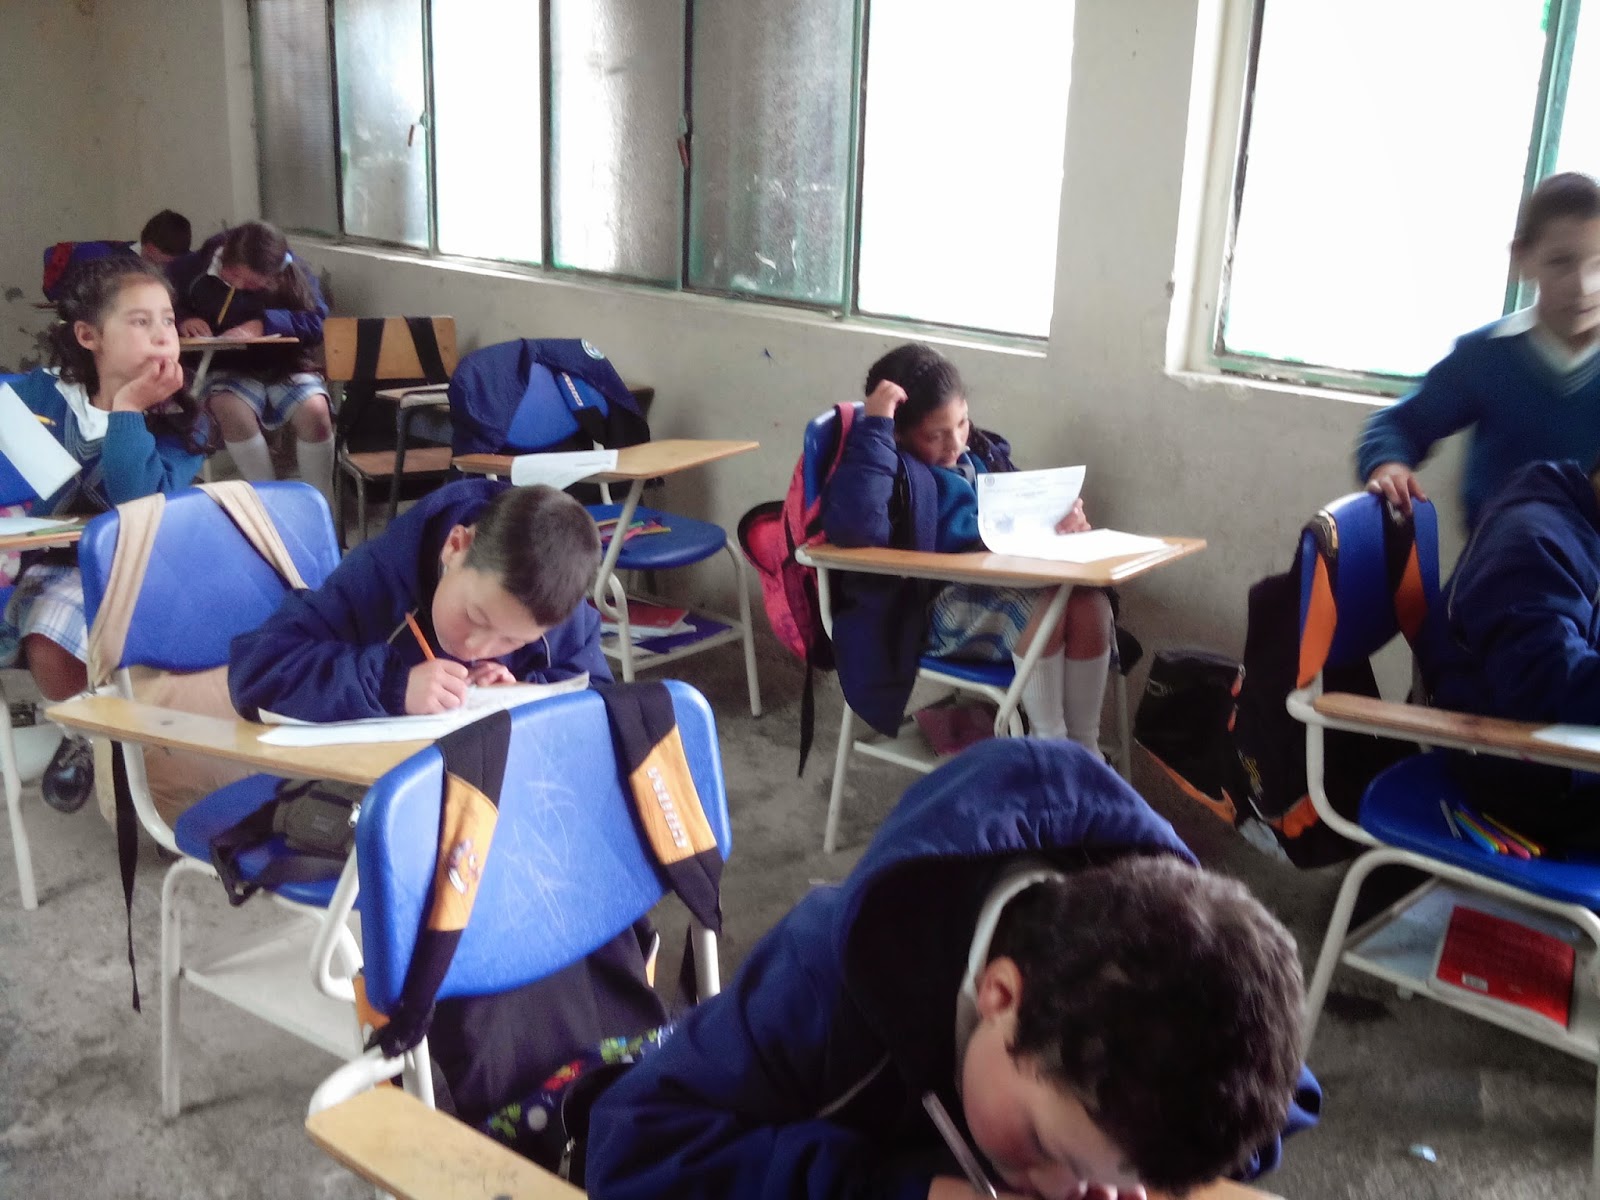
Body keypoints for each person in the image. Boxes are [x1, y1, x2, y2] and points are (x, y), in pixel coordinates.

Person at [585, 737, 1321, 1199]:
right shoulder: (819, 976)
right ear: (1000, 996)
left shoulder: (1204, 1008)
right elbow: (631, 1150)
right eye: (1044, 1149)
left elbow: (1278, 1112)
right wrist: (904, 1191)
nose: (1062, 1192)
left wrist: (1139, 1174)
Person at [0, 256, 214, 812]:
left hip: (144, 563)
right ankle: (86, 733)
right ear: (89, 336)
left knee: (73, 630)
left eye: (167, 320)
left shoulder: (184, 420)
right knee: (49, 628)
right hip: (46, 565)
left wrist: (128, 410)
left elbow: (136, 503)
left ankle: (132, 746)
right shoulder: (37, 399)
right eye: (140, 322)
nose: (162, 335)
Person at [823, 342, 1114, 749]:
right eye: (935, 435)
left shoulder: (979, 459)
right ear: (899, 434)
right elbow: (857, 526)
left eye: (961, 423)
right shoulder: (893, 475)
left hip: (999, 587)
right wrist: (875, 427)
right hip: (928, 608)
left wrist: (1059, 521)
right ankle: (1049, 748)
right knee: (1050, 609)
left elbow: (1019, 517)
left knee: (1091, 603)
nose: (955, 443)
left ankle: (1083, 748)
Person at [228, 478, 609, 723]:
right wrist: (393, 686)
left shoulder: (555, 594)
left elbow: (599, 703)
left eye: (512, 641)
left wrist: (520, 692)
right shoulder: (377, 575)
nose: (476, 648)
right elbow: (256, 670)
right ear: (455, 546)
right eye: (475, 616)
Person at [1359, 171, 1600, 530]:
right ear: (1522, 258)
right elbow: (1398, 425)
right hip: (1501, 556)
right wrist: (1389, 464)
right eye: (1561, 262)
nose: (1583, 285)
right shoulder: (1485, 356)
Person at [1417, 456, 1600, 849]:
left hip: (1562, 747)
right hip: (1523, 769)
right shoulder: (1534, 543)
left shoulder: (1576, 513)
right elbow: (1551, 686)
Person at [167, 220, 335, 502]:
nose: (240, 286)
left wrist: (264, 324)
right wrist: (184, 319)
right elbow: (166, 303)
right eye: (234, 276)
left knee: (315, 411)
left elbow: (316, 323)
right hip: (226, 367)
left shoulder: (293, 270)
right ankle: (266, 500)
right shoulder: (191, 269)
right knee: (230, 409)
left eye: (254, 284)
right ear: (225, 257)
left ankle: (321, 502)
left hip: (287, 364)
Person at [40, 209, 194, 302]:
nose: (156, 269)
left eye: (165, 265)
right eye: (151, 260)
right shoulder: (110, 259)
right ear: (144, 244)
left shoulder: (188, 266)